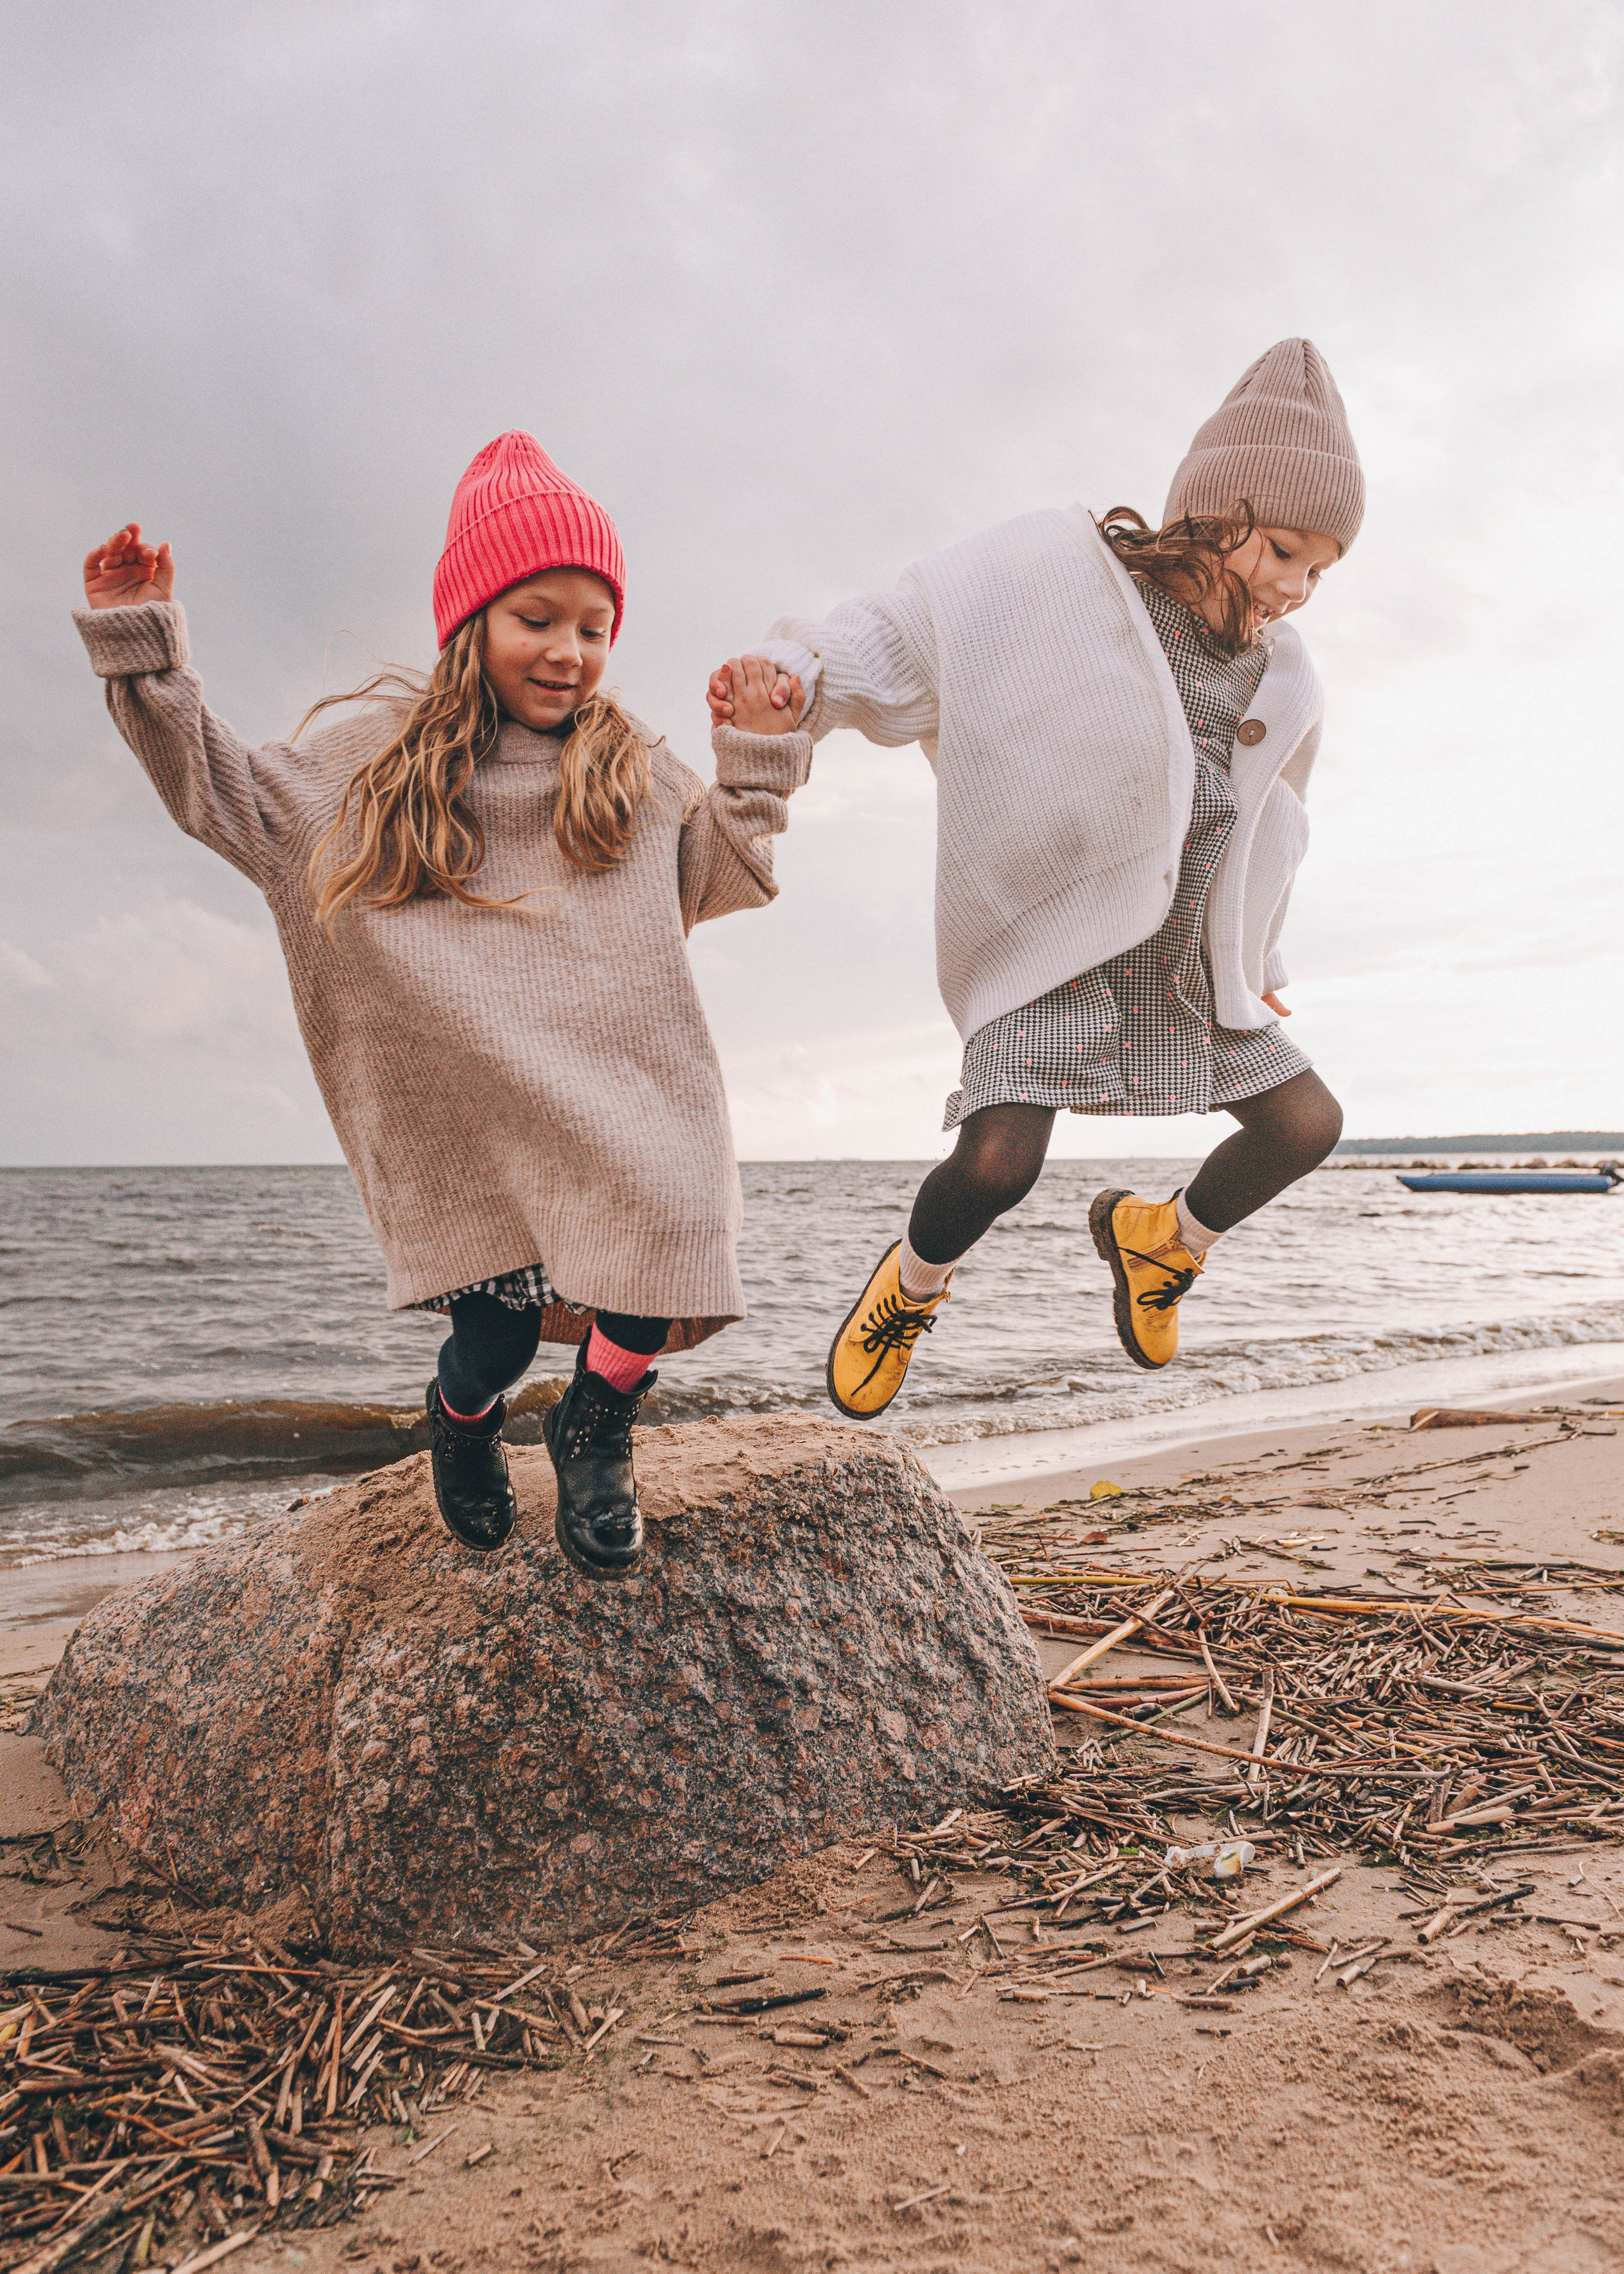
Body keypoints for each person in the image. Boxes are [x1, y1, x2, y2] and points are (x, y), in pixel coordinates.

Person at [78, 431, 809, 1572]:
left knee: (671, 1231)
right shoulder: (368, 766)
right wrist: (143, 652)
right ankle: (460, 1418)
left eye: (594, 627)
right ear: (471, 621)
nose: (569, 652)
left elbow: (727, 876)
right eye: (538, 618)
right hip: (466, 1116)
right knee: (497, 1336)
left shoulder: (628, 767)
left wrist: (755, 760)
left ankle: (598, 1421)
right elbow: (219, 793)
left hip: (624, 1094)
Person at [708, 339, 1359, 1418]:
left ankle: (1162, 1245)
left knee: (1307, 1124)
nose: (1296, 587)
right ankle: (912, 1288)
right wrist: (803, 675)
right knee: (1000, 1163)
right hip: (1059, 935)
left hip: (1189, 955)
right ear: (1215, 508)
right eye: (1285, 549)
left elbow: (1278, 820)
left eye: (1321, 570)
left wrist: (1266, 951)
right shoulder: (1056, 577)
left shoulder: (1288, 676)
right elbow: (915, 628)